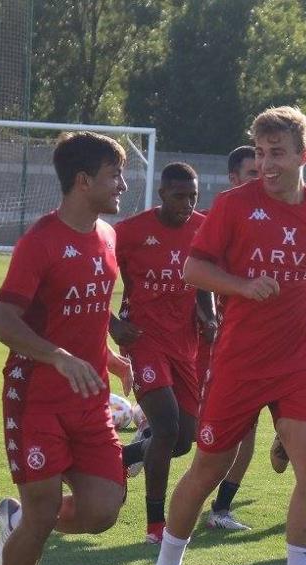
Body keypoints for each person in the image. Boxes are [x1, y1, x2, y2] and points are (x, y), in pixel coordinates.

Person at [145, 106, 306, 565]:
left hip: (298, 360)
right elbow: (193, 270)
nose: (266, 163)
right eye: (260, 153)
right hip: (238, 363)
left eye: (276, 153)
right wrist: (241, 285)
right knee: (207, 469)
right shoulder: (233, 207)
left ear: (304, 155)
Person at [0, 131, 132, 565]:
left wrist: (108, 356)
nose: (124, 183)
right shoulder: (40, 242)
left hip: (87, 397)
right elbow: (1, 321)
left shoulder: (108, 236)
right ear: (83, 180)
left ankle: (18, 524)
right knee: (46, 508)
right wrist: (57, 356)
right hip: (37, 398)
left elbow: (88, 308)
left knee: (102, 510)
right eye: (115, 174)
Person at [111, 162, 208, 544]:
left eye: (192, 196)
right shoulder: (130, 232)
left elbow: (202, 278)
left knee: (184, 439)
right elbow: (93, 274)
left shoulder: (203, 228)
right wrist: (113, 325)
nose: (186, 203)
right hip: (143, 338)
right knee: (166, 427)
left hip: (185, 343)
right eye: (179, 196)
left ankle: (122, 459)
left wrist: (210, 314)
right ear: (162, 194)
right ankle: (155, 524)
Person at [200, 145, 261, 531]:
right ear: (234, 179)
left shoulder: (276, 218)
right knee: (195, 430)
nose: (263, 176)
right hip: (219, 342)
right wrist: (209, 315)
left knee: (248, 428)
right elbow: (197, 273)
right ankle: (143, 446)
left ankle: (221, 508)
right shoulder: (224, 216)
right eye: (253, 172)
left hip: (262, 346)